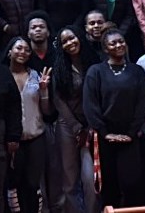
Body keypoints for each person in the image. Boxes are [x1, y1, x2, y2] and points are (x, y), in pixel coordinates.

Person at [84, 29, 145, 209]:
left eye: (121, 41)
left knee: (132, 185)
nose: (118, 45)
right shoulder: (95, 71)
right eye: (113, 43)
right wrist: (105, 133)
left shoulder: (137, 71)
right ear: (105, 49)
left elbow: (142, 103)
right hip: (105, 138)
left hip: (130, 137)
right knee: (109, 188)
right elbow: (91, 105)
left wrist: (131, 132)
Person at [46, 26, 94, 213]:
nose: (70, 43)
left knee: (90, 178)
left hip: (91, 125)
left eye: (72, 38)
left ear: (79, 37)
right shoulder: (59, 68)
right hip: (68, 126)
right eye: (65, 41)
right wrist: (76, 128)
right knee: (69, 179)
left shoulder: (93, 60)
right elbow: (58, 101)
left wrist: (89, 126)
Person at [6, 38, 51, 212]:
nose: (22, 52)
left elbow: (46, 111)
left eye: (26, 50)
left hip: (35, 136)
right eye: (18, 48)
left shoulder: (36, 75)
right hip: (11, 140)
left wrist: (44, 90)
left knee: (32, 183)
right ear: (9, 52)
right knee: (13, 182)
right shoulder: (2, 76)